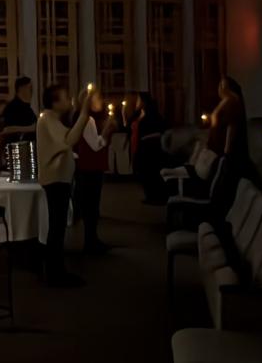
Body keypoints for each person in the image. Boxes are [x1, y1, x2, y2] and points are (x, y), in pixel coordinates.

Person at [34, 84, 96, 287]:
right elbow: (70, 138)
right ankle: (55, 274)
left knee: (58, 226)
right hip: (55, 180)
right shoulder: (48, 119)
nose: (68, 100)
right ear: (54, 102)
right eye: (65, 97)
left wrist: (81, 106)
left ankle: (57, 271)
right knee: (57, 227)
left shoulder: (53, 119)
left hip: (59, 179)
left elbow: (68, 133)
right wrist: (85, 111)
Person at [72, 90, 119, 254]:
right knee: (91, 207)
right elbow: (95, 145)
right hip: (90, 168)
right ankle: (91, 242)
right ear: (89, 102)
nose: (102, 101)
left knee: (90, 206)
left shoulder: (85, 119)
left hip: (87, 168)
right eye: (98, 98)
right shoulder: (88, 119)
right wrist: (107, 130)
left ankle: (92, 239)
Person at [129, 92, 171, 204]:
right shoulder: (138, 114)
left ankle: (154, 197)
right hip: (140, 145)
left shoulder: (152, 114)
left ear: (143, 102)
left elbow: (162, 128)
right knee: (142, 171)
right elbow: (129, 125)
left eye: (138, 100)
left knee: (150, 172)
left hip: (150, 147)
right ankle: (150, 195)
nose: (136, 102)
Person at [206, 77, 250, 175]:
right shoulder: (226, 100)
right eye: (220, 84)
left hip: (223, 145)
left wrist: (227, 150)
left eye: (223, 84)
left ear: (229, 87)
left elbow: (231, 125)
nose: (221, 87)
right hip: (218, 142)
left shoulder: (232, 101)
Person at [0, 76, 37, 142]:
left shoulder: (28, 109)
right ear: (22, 88)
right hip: (17, 147)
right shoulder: (11, 107)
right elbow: (7, 129)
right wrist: (30, 128)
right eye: (30, 88)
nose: (32, 91)